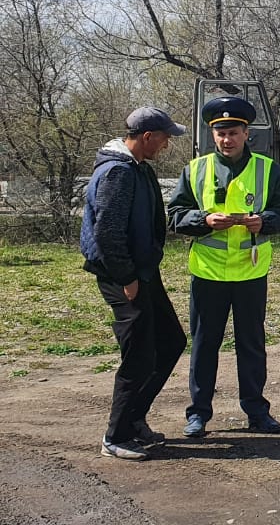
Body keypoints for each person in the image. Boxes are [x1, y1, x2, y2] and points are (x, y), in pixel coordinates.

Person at [168, 96, 280, 437]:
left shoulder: (267, 170)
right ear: (213, 135)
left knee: (251, 345)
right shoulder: (195, 170)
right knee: (204, 346)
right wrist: (204, 219)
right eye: (221, 133)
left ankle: (256, 411)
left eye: (234, 132)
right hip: (208, 274)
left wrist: (265, 222)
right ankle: (198, 414)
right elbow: (175, 216)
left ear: (246, 133)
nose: (228, 139)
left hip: (250, 274)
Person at [81, 107, 189, 461]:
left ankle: (134, 418)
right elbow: (107, 232)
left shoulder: (137, 167)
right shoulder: (118, 172)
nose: (167, 145)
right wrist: (126, 277)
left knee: (171, 341)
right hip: (122, 275)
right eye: (165, 138)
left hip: (141, 272)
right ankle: (116, 436)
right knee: (139, 355)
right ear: (146, 137)